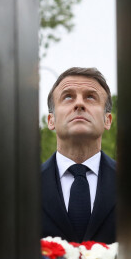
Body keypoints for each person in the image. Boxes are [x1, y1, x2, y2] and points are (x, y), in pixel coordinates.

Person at [41, 67, 116, 244]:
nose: (79, 104)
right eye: (68, 97)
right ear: (51, 120)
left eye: (91, 97)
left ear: (108, 120)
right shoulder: (22, 188)